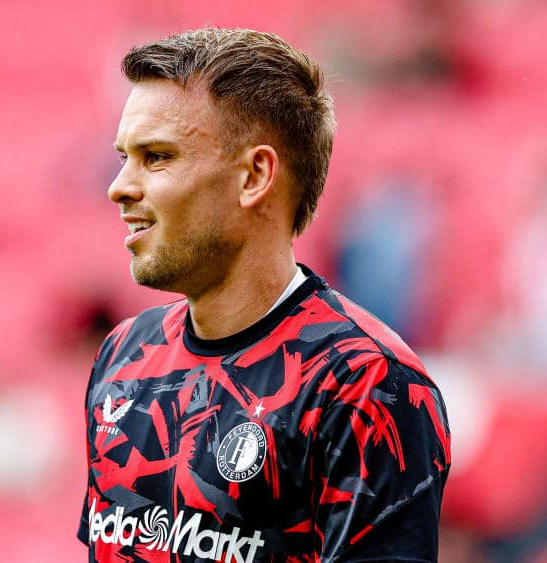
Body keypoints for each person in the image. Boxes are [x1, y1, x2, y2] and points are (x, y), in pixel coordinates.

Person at [78, 28, 450, 562]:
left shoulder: (365, 383)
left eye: (156, 157)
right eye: (123, 158)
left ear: (255, 175)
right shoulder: (124, 355)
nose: (119, 186)